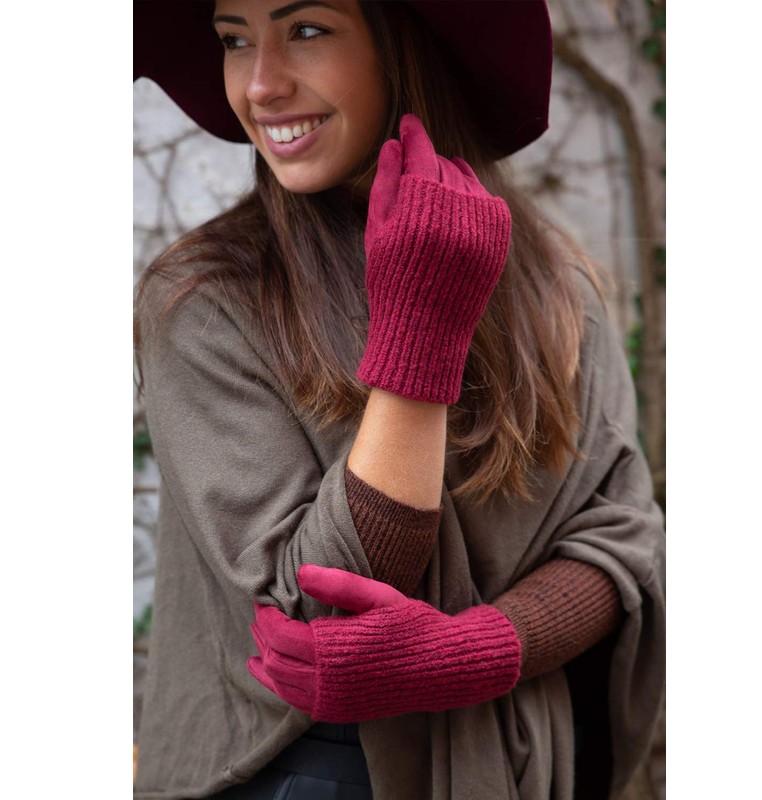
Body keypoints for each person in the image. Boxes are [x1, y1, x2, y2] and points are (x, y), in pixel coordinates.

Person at [133, 1, 666, 798]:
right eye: (234, 40)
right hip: (308, 771)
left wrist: (482, 650)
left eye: (305, 30)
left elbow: (623, 537)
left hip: (513, 767)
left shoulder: (555, 284)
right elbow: (314, 616)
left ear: (404, 45)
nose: (261, 84)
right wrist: (421, 333)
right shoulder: (206, 299)